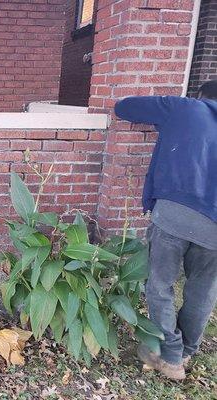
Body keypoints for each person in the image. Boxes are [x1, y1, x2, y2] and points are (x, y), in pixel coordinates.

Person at [114, 80, 217, 380]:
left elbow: (124, 107)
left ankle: (171, 356)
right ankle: (186, 350)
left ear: (200, 96)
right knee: (203, 290)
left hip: (174, 215)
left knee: (160, 285)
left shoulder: (184, 108)